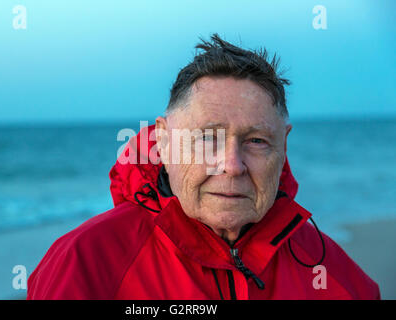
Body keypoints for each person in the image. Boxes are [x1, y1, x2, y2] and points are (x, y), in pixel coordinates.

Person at [27, 34, 380, 300]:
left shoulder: (339, 279)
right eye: (208, 137)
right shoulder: (85, 265)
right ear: (163, 143)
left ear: (283, 145)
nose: (232, 165)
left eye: (256, 140)